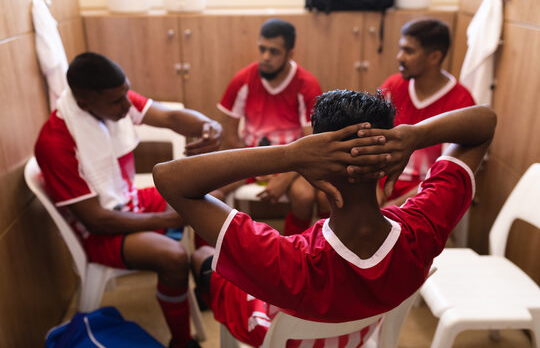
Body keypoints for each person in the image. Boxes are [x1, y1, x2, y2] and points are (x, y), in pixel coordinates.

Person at [153, 89, 496, 347]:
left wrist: (289, 155)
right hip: (360, 333)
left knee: (203, 259)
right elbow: (484, 122)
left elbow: (169, 178)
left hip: (271, 327)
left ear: (316, 165)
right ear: (388, 159)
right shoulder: (423, 227)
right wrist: (415, 136)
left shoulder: (287, 260)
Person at [34, 52, 223, 348]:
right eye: (117, 101)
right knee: (172, 257)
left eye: (126, 94)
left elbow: (171, 117)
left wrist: (209, 127)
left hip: (128, 200)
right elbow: (95, 220)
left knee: (209, 195)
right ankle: (182, 341)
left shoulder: (112, 100)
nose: (127, 105)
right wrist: (168, 219)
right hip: (98, 230)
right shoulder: (55, 143)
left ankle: (204, 286)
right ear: (84, 102)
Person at [215, 18, 326, 236]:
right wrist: (254, 168)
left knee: (304, 196)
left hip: (294, 162)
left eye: (274, 52)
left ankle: (293, 250)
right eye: (262, 49)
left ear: (290, 54)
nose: (265, 57)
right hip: (252, 158)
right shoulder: (243, 80)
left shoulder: (307, 85)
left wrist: (284, 177)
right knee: (209, 193)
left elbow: (311, 145)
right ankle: (212, 261)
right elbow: (231, 139)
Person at [379, 18, 476, 208]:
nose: (400, 57)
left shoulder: (461, 102)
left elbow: (447, 176)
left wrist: (394, 208)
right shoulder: (392, 86)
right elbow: (373, 141)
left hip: (427, 198)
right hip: (383, 189)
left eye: (409, 51)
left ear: (434, 57)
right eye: (400, 49)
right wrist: (372, 187)